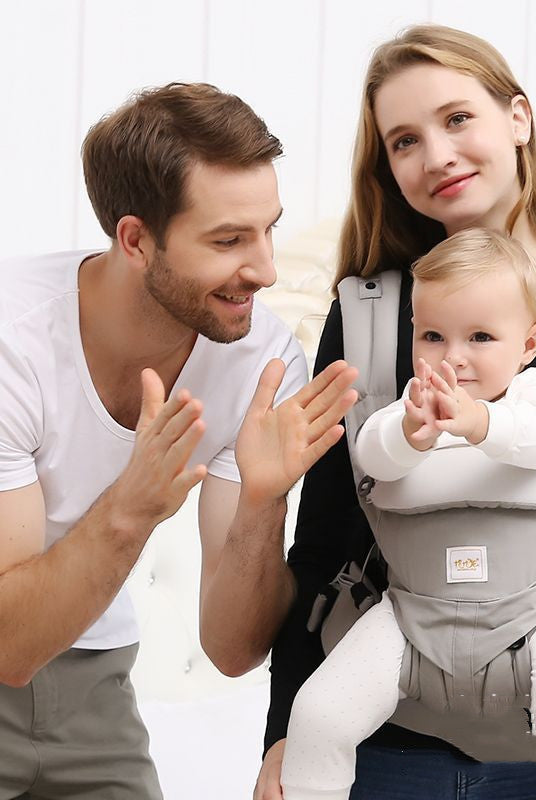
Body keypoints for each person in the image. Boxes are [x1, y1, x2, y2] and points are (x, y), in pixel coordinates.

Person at [259, 24, 536, 800]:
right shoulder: (365, 313)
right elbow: (323, 541)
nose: (436, 155)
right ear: (390, 170)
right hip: (384, 740)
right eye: (404, 141)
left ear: (519, 119)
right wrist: (286, 734)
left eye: (457, 118)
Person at [0, 82, 356, 800]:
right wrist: (131, 507)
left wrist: (263, 499)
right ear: (135, 240)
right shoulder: (14, 340)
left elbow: (231, 652)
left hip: (95, 685)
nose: (264, 269)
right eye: (229, 240)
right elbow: (10, 647)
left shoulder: (261, 361)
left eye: (268, 230)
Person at [279, 228, 536, 800]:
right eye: (433, 335)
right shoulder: (411, 403)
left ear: (528, 344)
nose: (454, 357)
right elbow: (369, 453)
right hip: (411, 614)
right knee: (319, 715)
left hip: (535, 617)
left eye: (480, 337)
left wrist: (480, 425)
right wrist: (409, 437)